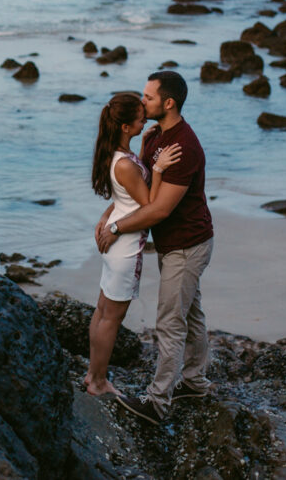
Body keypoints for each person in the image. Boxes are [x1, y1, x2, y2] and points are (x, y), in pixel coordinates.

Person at [94, 70, 214, 425]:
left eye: (148, 97)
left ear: (169, 102)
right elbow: (133, 190)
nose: (142, 102)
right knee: (191, 314)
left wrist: (115, 226)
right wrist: (107, 215)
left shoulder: (183, 147)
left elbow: (158, 209)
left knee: (169, 323)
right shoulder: (154, 137)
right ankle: (195, 382)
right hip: (172, 244)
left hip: (187, 245)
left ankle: (157, 404)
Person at [84, 92, 182, 398]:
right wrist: (158, 168)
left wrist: (141, 151)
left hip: (116, 244)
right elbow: (149, 204)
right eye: (140, 116)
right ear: (126, 126)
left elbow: (122, 198)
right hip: (125, 248)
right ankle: (98, 382)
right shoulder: (125, 165)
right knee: (111, 318)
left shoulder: (118, 155)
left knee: (102, 311)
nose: (146, 118)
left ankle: (92, 374)